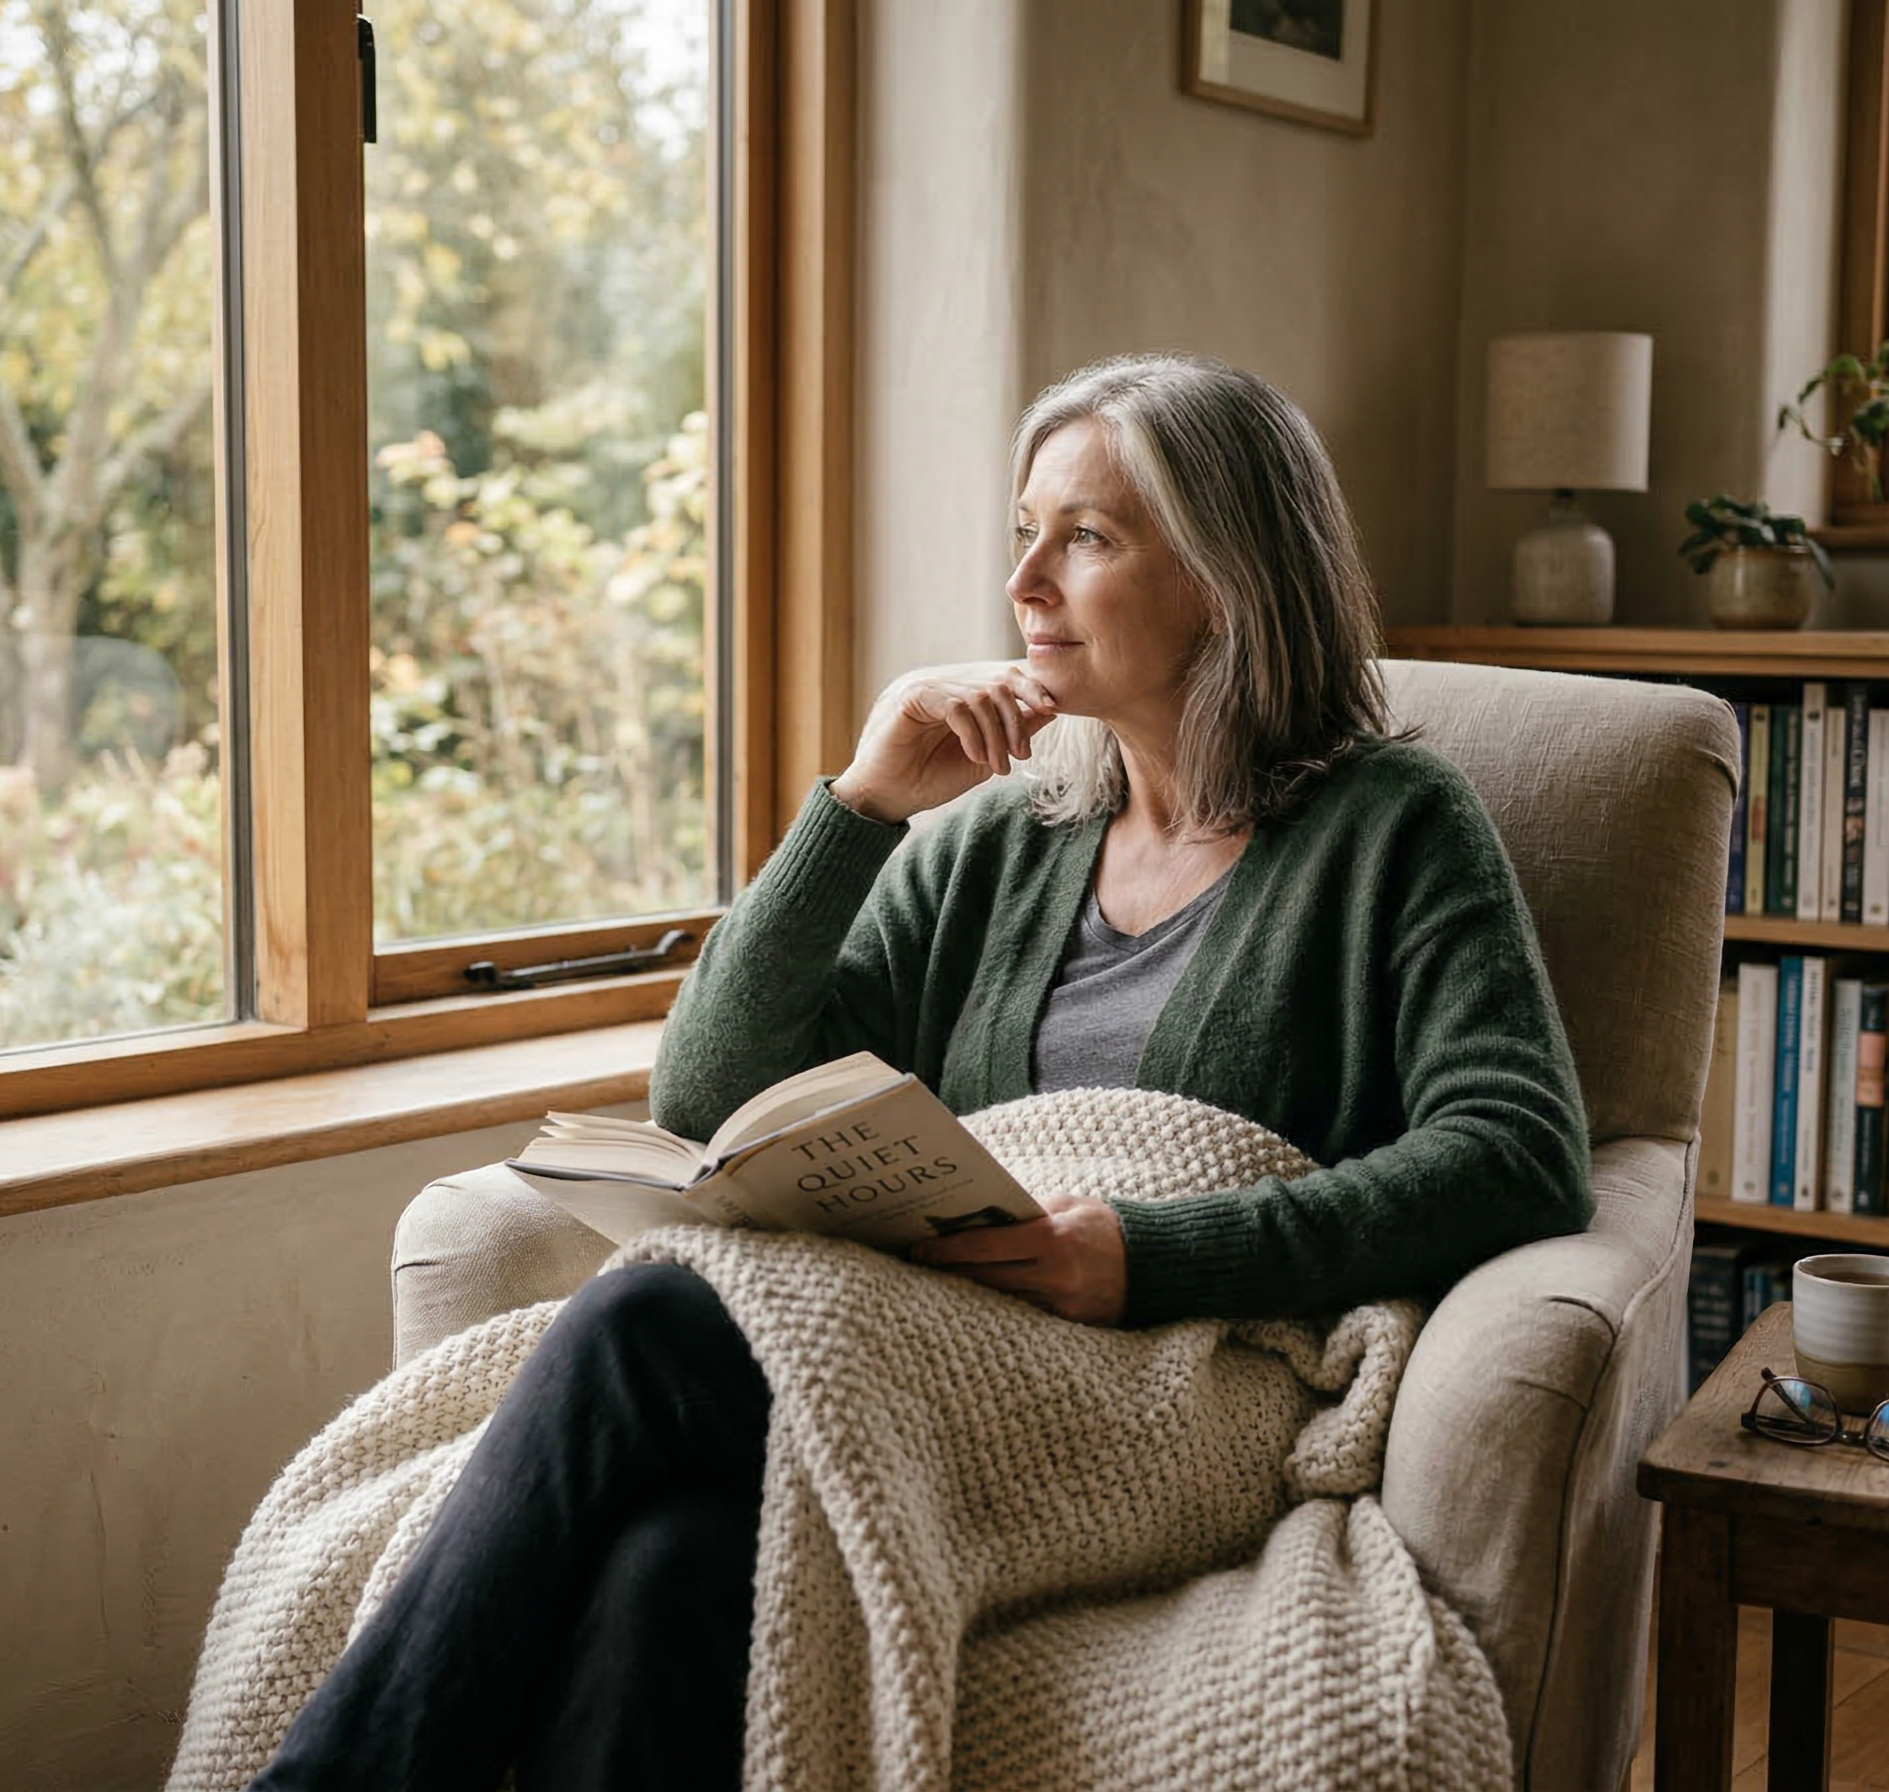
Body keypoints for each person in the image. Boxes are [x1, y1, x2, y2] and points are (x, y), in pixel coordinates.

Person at [247, 352, 1592, 1792]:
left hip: (1176, 1386)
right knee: (672, 1567)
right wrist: (858, 806)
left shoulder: (1395, 827)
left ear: (1228, 576)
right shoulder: (993, 843)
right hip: (949, 1355)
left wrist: (1145, 1251)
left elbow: (1520, 1148)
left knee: (646, 1328)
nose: (1025, 584)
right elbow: (707, 1096)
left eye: (1085, 537)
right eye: (1026, 531)